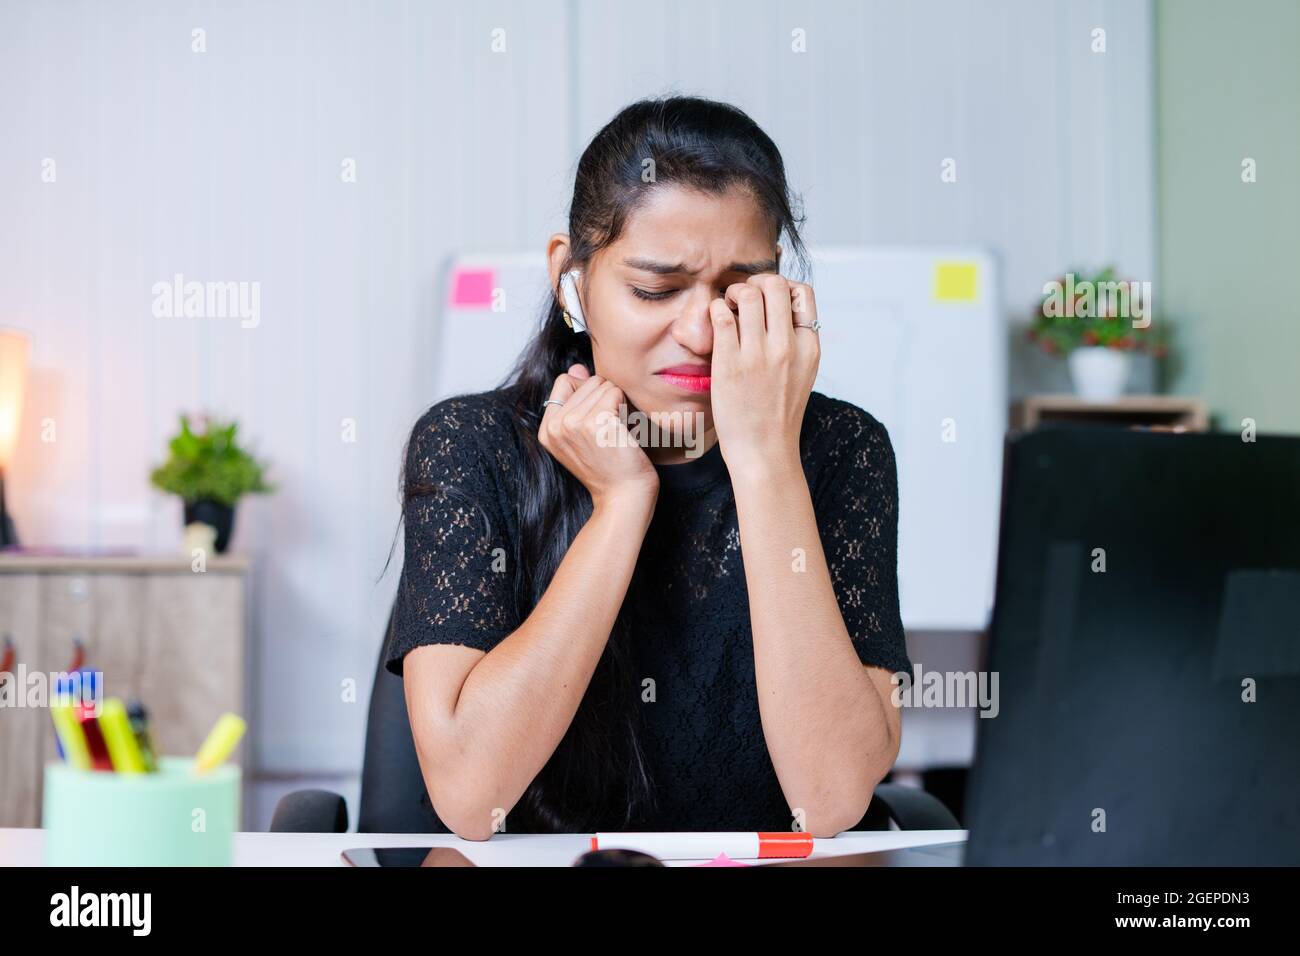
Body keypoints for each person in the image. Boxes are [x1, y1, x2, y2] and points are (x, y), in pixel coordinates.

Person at [385, 95, 911, 840]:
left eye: (738, 291)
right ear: (572, 282)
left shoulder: (844, 449)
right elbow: (473, 796)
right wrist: (623, 503)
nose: (700, 331)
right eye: (655, 290)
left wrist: (766, 463)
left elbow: (827, 802)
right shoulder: (471, 445)